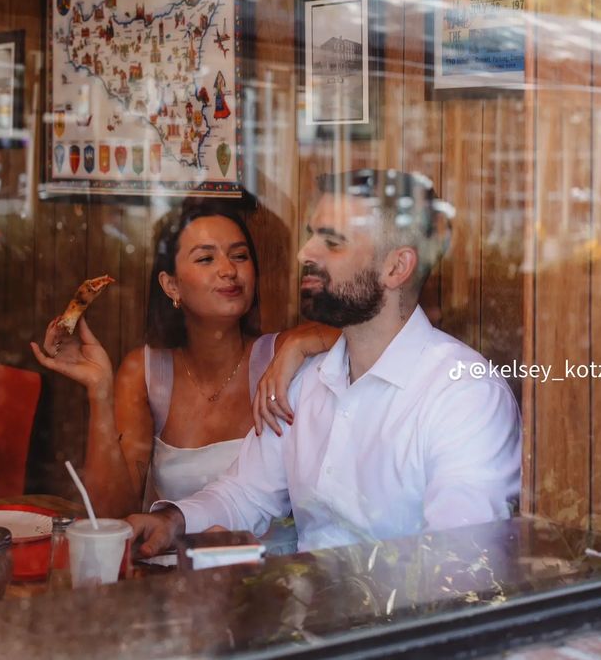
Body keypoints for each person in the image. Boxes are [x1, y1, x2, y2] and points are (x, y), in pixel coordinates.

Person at [128, 169, 522, 555]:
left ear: (396, 267)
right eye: (310, 235)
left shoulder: (464, 397)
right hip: (302, 615)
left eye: (331, 242)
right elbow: (247, 491)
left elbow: (460, 565)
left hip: (398, 619)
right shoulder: (305, 379)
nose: (305, 253)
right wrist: (173, 522)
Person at [31, 199, 337, 517]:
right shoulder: (146, 372)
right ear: (171, 285)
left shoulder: (282, 354)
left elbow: (370, 337)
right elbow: (113, 515)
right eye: (206, 258)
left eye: (240, 256)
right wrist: (99, 390)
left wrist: (300, 342)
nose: (229, 270)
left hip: (269, 564)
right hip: (172, 561)